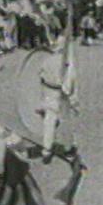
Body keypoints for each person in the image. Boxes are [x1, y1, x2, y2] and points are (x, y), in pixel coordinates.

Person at [39, 33, 78, 164]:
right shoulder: (66, 62)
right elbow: (70, 81)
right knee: (65, 121)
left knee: (49, 120)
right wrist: (72, 97)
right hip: (60, 94)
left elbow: (42, 77)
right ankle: (68, 149)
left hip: (49, 92)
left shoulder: (47, 59)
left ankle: (46, 150)